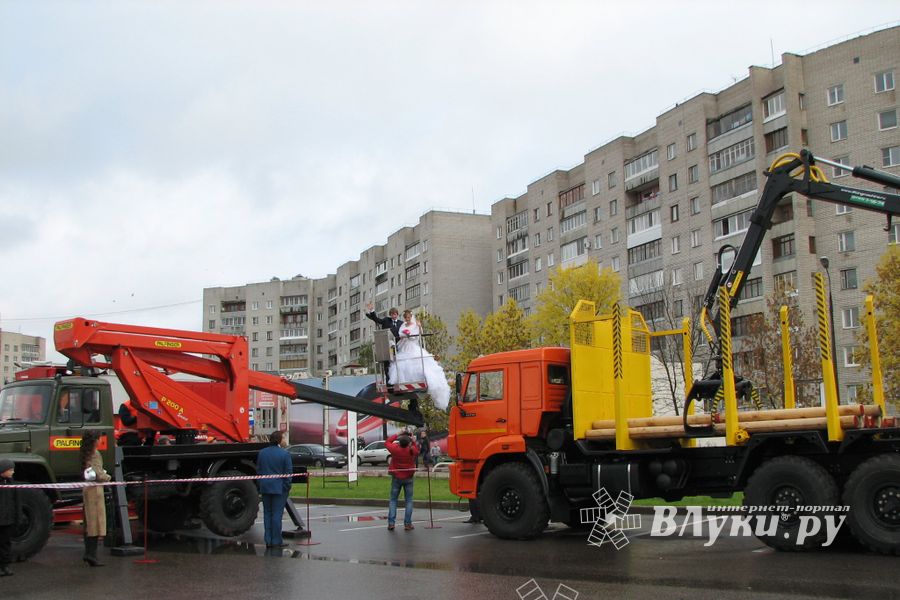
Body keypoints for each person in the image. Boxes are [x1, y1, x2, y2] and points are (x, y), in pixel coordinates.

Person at [388, 310, 452, 410]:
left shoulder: (415, 325)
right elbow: (400, 333)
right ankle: (405, 381)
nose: (407, 319)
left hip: (412, 346)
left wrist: (414, 331)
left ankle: (421, 379)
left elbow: (418, 335)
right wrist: (404, 334)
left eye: (408, 318)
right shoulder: (403, 325)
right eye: (406, 318)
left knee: (417, 362)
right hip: (404, 346)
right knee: (403, 364)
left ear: (411, 317)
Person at [256, 430, 293, 549]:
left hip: (265, 487)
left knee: (267, 514)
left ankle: (268, 540)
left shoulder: (262, 453)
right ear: (279, 440)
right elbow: (288, 473)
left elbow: (259, 470)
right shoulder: (285, 454)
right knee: (277, 514)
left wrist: (261, 484)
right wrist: (286, 487)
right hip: (279, 488)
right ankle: (276, 540)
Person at [80, 431, 109, 567]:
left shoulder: (85, 453)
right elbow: (98, 473)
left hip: (87, 488)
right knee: (96, 522)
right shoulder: (95, 453)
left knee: (89, 522)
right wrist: (107, 477)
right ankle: (91, 555)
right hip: (95, 490)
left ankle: (89, 553)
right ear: (95, 440)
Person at [385, 431, 419, 531]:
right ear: (409, 443)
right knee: (409, 500)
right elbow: (417, 450)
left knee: (393, 500)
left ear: (399, 442)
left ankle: (391, 523)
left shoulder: (395, 449)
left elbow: (387, 442)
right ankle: (407, 523)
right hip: (408, 477)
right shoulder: (412, 450)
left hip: (396, 477)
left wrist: (397, 434)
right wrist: (413, 441)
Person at [365, 303, 403, 385]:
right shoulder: (386, 320)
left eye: (395, 314)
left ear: (397, 314)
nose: (394, 316)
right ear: (390, 315)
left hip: (398, 347)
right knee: (387, 364)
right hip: (387, 347)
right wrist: (372, 310)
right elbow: (377, 320)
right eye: (392, 314)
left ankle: (399, 380)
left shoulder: (401, 323)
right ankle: (389, 382)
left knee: (398, 364)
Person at [0, 458, 22, 577]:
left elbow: (17, 502)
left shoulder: (12, 484)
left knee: (6, 543)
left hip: (8, 520)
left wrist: (18, 518)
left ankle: (5, 566)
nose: (13, 472)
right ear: (3, 470)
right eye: (10, 469)